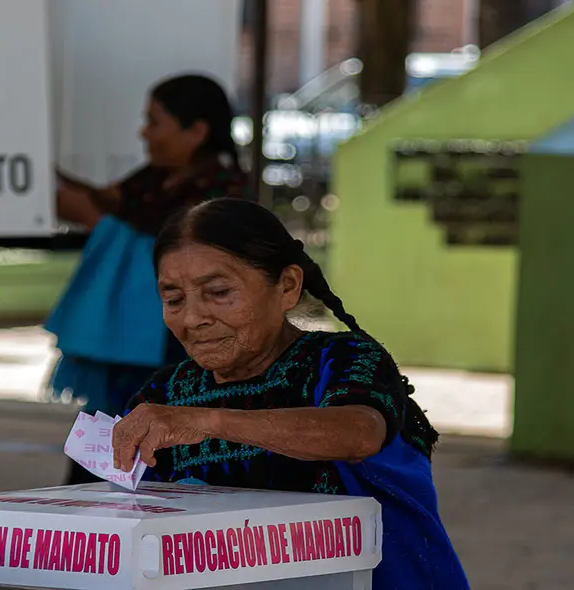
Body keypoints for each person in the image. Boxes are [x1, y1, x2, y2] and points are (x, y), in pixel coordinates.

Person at [111, 198, 470, 589]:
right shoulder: (165, 393)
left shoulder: (343, 360)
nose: (194, 318)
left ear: (287, 286)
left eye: (217, 292)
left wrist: (208, 421)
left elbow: (359, 432)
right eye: (174, 299)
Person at [44, 73, 250, 485]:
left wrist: (90, 217)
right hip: (129, 353)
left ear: (197, 131)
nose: (144, 133)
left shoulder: (220, 191)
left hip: (168, 351)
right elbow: (105, 200)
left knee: (155, 449)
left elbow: (107, 218)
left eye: (155, 122)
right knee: (102, 450)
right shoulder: (155, 178)